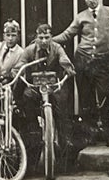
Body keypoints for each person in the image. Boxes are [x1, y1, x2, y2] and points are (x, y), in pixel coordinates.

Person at [57, 0, 109, 132]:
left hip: (102, 61)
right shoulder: (81, 17)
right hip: (82, 60)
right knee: (86, 96)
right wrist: (48, 41)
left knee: (104, 94)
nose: (90, 0)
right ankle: (89, 133)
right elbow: (67, 35)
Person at [17, 19, 75, 153]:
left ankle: (65, 145)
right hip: (35, 88)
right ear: (36, 38)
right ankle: (34, 136)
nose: (43, 41)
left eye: (47, 38)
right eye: (41, 38)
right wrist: (18, 72)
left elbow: (64, 60)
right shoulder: (29, 50)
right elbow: (20, 65)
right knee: (27, 98)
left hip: (53, 87)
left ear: (51, 37)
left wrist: (68, 69)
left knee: (61, 107)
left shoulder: (57, 48)